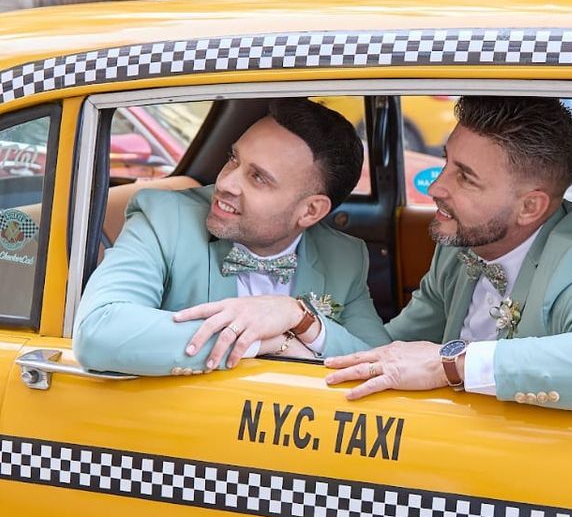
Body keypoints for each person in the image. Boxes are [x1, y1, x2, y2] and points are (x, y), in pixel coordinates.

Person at [326, 96, 572, 414]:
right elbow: (390, 350)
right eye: (446, 162)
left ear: (530, 207)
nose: (435, 188)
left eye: (465, 178)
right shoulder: (459, 249)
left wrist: (450, 364)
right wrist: (307, 327)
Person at [74, 100, 389, 376]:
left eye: (258, 178)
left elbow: (382, 361)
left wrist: (300, 318)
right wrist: (267, 342)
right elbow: (99, 331)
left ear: (310, 211)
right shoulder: (166, 219)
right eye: (233, 159)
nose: (225, 183)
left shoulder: (342, 257)